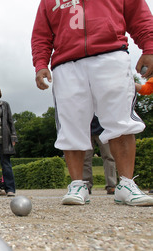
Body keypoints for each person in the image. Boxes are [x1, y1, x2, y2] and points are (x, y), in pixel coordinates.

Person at [31, 0, 153, 206]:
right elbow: (41, 34)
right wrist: (41, 63)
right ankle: (78, 183)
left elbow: (139, 15)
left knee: (120, 120)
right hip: (66, 62)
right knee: (71, 125)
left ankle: (126, 183)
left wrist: (149, 46)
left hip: (111, 54)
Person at [82, 116, 117, 195]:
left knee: (109, 157)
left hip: (104, 129)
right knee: (85, 159)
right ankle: (85, 185)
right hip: (86, 129)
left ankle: (111, 185)